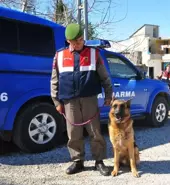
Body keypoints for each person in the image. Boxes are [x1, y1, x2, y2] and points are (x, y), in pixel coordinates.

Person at [50, 23, 113, 176]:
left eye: (79, 40)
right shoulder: (59, 55)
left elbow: (104, 77)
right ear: (67, 41)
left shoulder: (94, 53)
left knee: (95, 132)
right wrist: (57, 102)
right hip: (69, 101)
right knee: (73, 133)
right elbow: (54, 80)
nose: (78, 44)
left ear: (83, 38)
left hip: (89, 99)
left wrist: (109, 94)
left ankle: (99, 161)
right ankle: (77, 161)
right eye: (74, 42)